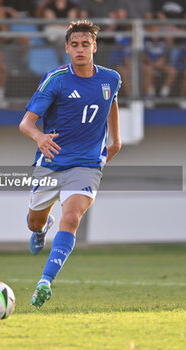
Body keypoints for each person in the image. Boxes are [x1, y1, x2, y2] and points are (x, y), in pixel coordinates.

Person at [19, 20, 122, 309]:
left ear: (94, 47)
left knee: (73, 217)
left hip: (87, 164)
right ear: (66, 48)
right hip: (51, 163)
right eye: (74, 45)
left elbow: (111, 100)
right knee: (33, 221)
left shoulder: (111, 78)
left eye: (85, 44)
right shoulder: (56, 79)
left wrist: (116, 141)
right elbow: (26, 123)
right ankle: (41, 229)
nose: (80, 49)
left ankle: (45, 282)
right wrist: (39, 137)